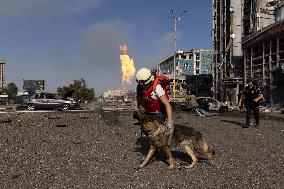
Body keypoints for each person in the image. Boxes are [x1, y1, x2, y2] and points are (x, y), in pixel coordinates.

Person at [134, 68, 174, 134]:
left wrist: (170, 122)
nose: (142, 86)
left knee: (157, 133)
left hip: (159, 113)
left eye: (144, 84)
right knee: (147, 130)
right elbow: (138, 98)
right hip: (148, 112)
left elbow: (167, 105)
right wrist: (137, 109)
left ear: (150, 81)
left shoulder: (157, 88)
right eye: (141, 84)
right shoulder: (140, 87)